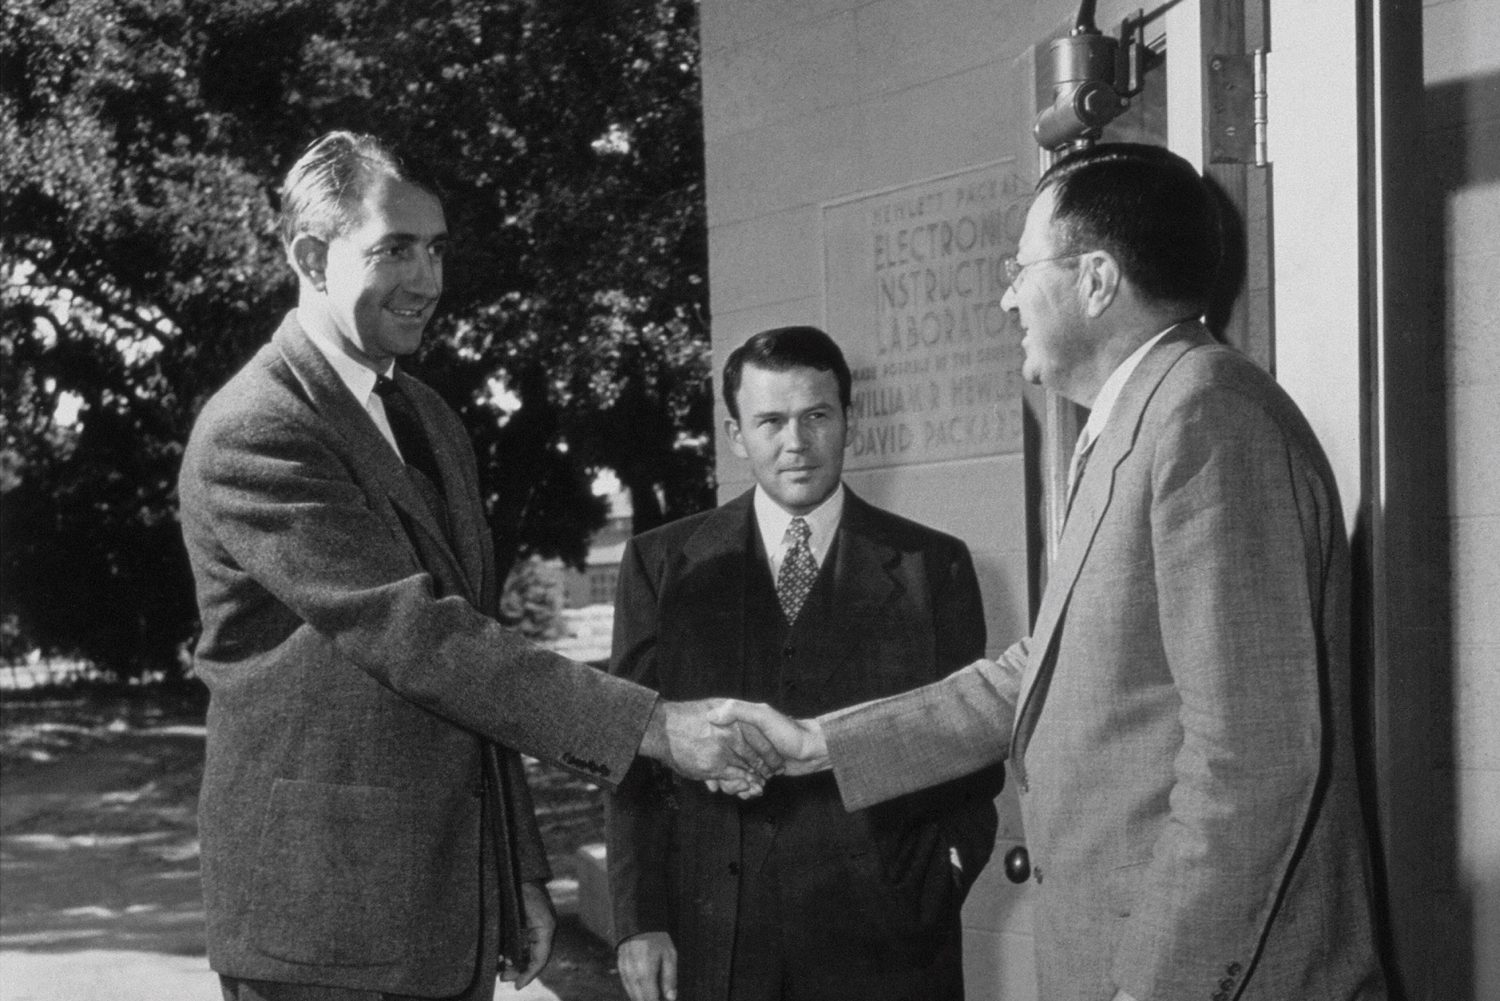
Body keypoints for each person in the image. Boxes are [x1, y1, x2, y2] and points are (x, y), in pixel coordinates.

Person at [718, 144, 1390, 1001]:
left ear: (1098, 279)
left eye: (1022, 268)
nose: (1007, 296)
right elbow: (1040, 673)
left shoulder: (1206, 417)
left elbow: (1253, 767)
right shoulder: (1141, 421)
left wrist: (1151, 990)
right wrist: (816, 742)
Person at [177, 131, 776, 1001]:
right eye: (394, 249)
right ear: (311, 256)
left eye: (435, 248)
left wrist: (517, 868)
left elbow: (476, 650)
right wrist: (651, 726)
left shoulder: (426, 415)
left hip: (445, 911)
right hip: (321, 925)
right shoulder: (257, 428)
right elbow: (416, 635)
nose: (427, 280)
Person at [606, 326, 1003, 1001]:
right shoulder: (661, 564)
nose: (796, 441)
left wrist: (944, 874)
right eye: (770, 420)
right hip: (716, 948)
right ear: (736, 435)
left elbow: (973, 744)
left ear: (849, 421)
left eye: (817, 415)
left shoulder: (934, 565)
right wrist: (640, 920)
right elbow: (632, 750)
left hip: (890, 949)